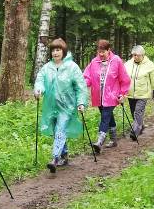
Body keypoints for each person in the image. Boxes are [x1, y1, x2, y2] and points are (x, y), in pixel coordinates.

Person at [34, 38, 89, 173]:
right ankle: (64, 155)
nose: (55, 53)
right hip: (51, 106)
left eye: (58, 50)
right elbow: (40, 80)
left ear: (63, 51)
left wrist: (81, 102)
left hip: (67, 107)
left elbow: (81, 87)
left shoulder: (72, 67)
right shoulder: (47, 68)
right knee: (57, 131)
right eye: (53, 50)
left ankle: (55, 158)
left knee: (60, 129)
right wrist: (38, 90)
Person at [82, 39, 131, 153]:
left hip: (112, 95)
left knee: (105, 116)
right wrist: (81, 84)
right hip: (98, 95)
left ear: (109, 50)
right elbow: (87, 77)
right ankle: (114, 140)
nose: (101, 54)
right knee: (108, 116)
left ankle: (99, 141)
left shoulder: (116, 60)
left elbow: (124, 78)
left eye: (103, 51)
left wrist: (123, 93)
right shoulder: (94, 62)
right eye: (99, 51)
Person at [124, 44, 154, 141]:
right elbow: (123, 77)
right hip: (131, 94)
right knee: (133, 113)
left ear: (143, 55)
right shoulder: (127, 64)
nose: (135, 57)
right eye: (134, 55)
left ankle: (135, 131)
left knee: (138, 112)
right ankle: (141, 125)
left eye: (137, 55)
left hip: (143, 94)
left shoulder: (149, 65)